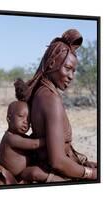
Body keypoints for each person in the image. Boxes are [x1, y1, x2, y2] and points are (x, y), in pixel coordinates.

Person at [14, 29, 97, 181]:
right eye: (68, 68)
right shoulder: (50, 99)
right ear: (52, 63)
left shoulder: (42, 91)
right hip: (53, 169)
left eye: (74, 71)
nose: (71, 76)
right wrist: (91, 174)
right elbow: (57, 161)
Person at [0, 100, 52, 183]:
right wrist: (50, 138)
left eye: (28, 119)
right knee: (34, 172)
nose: (25, 121)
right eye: (21, 116)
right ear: (9, 118)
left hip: (23, 171)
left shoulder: (19, 136)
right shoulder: (11, 138)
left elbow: (30, 141)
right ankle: (57, 179)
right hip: (19, 175)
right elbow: (34, 144)